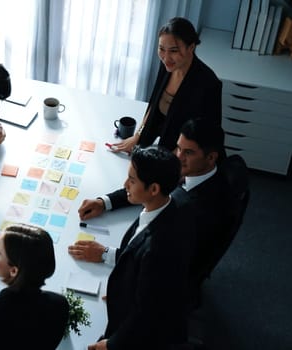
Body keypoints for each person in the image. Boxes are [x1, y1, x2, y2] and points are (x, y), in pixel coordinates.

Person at [73, 118, 231, 307]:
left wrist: (107, 255)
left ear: (211, 158)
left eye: (188, 152)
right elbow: (146, 182)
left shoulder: (206, 211)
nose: (178, 157)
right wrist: (105, 202)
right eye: (179, 148)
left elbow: (166, 265)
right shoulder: (191, 169)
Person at [79, 146, 194, 349]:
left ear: (154, 189)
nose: (125, 185)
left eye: (132, 180)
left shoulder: (157, 250)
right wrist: (123, 291)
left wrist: (111, 345)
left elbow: (148, 313)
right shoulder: (169, 201)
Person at [111, 17, 221, 153]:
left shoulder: (208, 83)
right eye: (161, 49)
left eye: (174, 51)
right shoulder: (167, 66)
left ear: (191, 47)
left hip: (185, 153)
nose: (166, 57)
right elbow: (153, 106)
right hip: (162, 140)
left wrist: (171, 161)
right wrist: (137, 136)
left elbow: (206, 135)